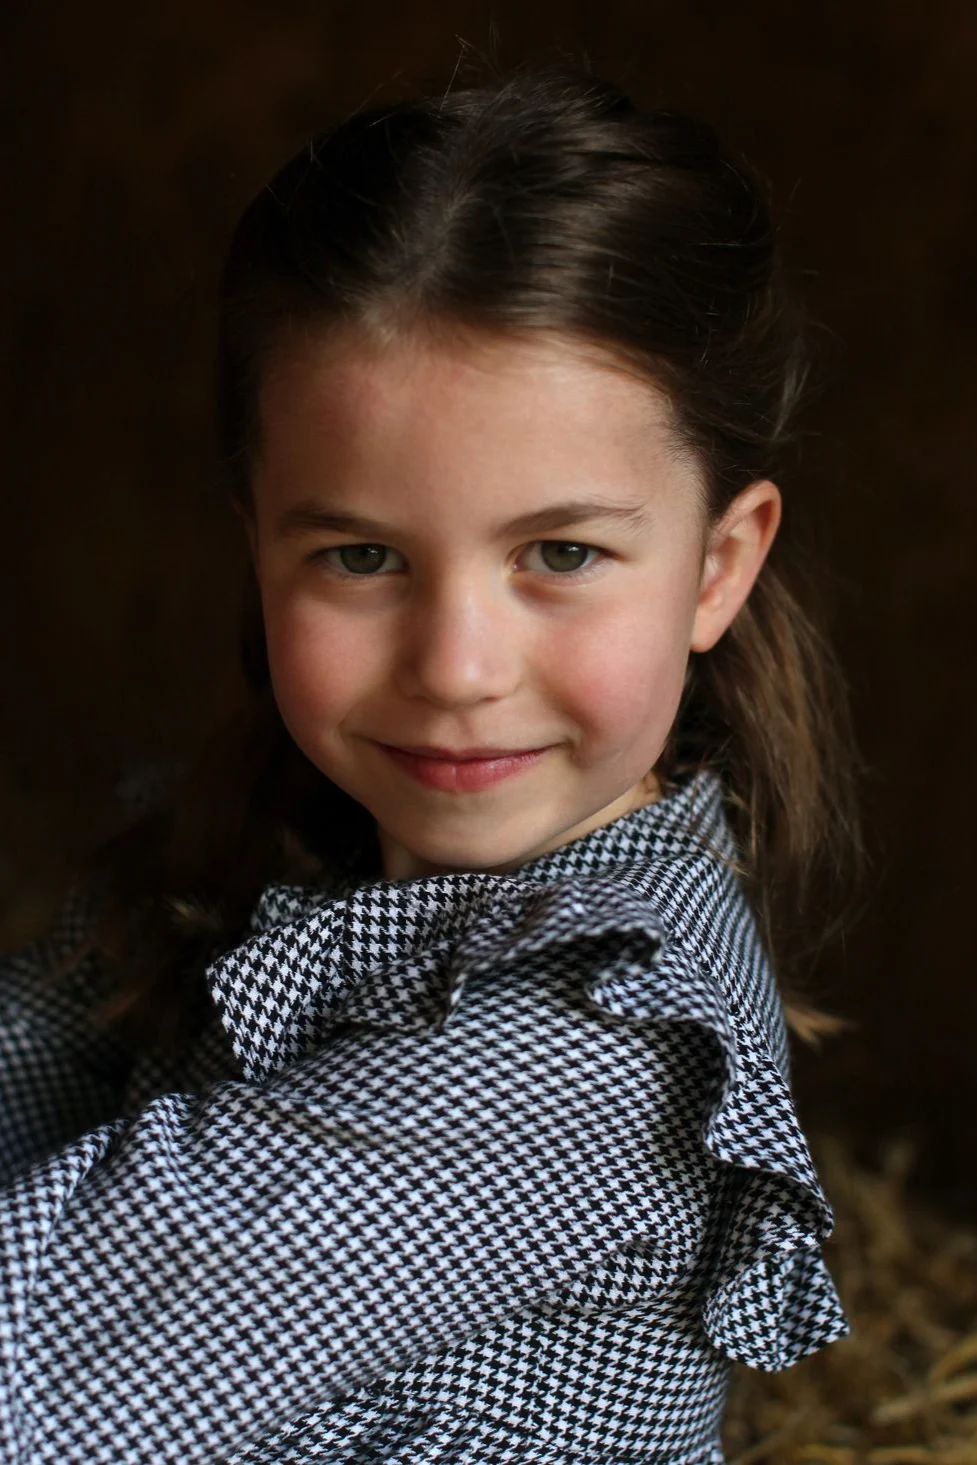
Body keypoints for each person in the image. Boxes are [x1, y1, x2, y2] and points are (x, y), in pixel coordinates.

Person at [0, 56, 862, 1464]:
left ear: (718, 567)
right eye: (360, 557)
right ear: (256, 542)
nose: (456, 669)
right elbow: (26, 1056)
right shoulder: (293, 833)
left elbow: (41, 1357)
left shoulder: (578, 1052)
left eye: (561, 554)